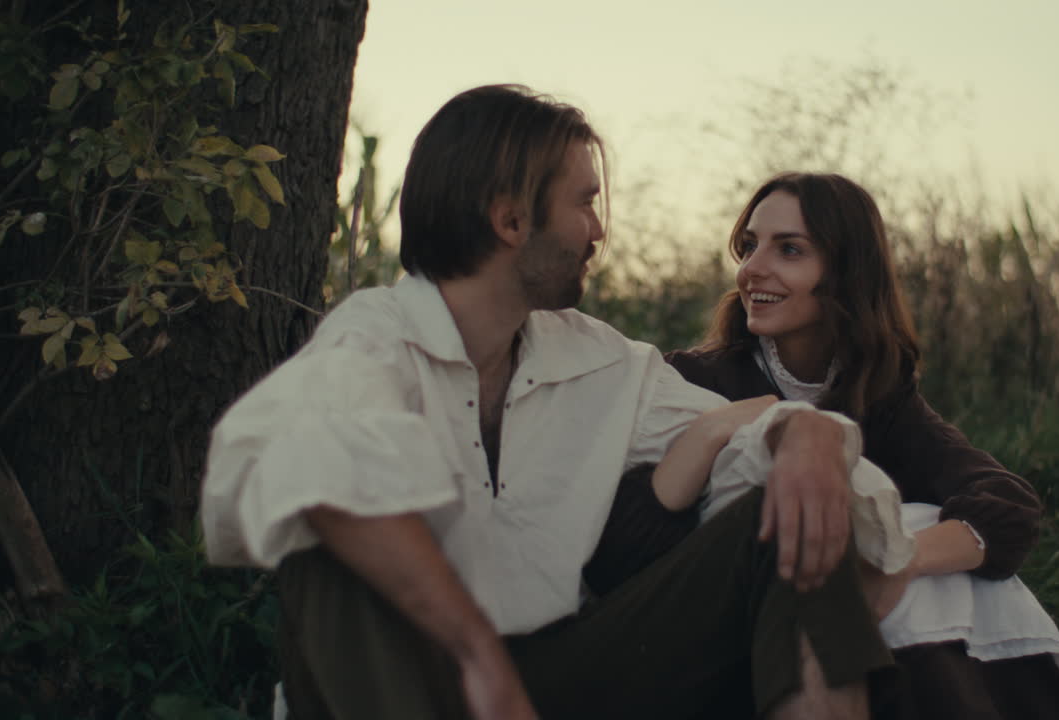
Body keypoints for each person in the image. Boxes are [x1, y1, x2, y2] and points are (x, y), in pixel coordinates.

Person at [200, 87, 917, 720]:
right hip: (411, 683)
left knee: (792, 515)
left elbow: (735, 445)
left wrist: (809, 438)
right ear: (513, 222)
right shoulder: (373, 338)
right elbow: (287, 459)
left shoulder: (599, 360)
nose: (598, 231)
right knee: (332, 532)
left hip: (559, 677)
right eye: (584, 202)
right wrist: (479, 658)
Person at [646, 172, 1059, 718]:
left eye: (789, 249)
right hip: (721, 618)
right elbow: (640, 527)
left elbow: (1006, 504)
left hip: (836, 622)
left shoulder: (879, 394)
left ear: (847, 270)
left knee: (915, 533)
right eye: (749, 245)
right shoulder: (694, 380)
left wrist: (898, 562)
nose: (752, 268)